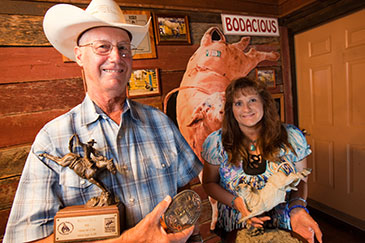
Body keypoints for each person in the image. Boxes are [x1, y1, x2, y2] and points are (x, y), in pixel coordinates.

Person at [3, 0, 203, 242]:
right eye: (102, 47)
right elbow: (25, 239)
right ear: (79, 55)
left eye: (123, 48)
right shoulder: (52, 139)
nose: (116, 57)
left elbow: (185, 192)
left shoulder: (161, 124)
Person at [202, 77, 323, 243]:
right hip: (236, 228)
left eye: (252, 100)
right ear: (231, 109)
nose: (246, 108)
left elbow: (301, 181)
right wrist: (237, 203)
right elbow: (209, 183)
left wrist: (297, 208)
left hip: (281, 227)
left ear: (264, 103)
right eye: (238, 103)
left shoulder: (292, 137)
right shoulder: (216, 142)